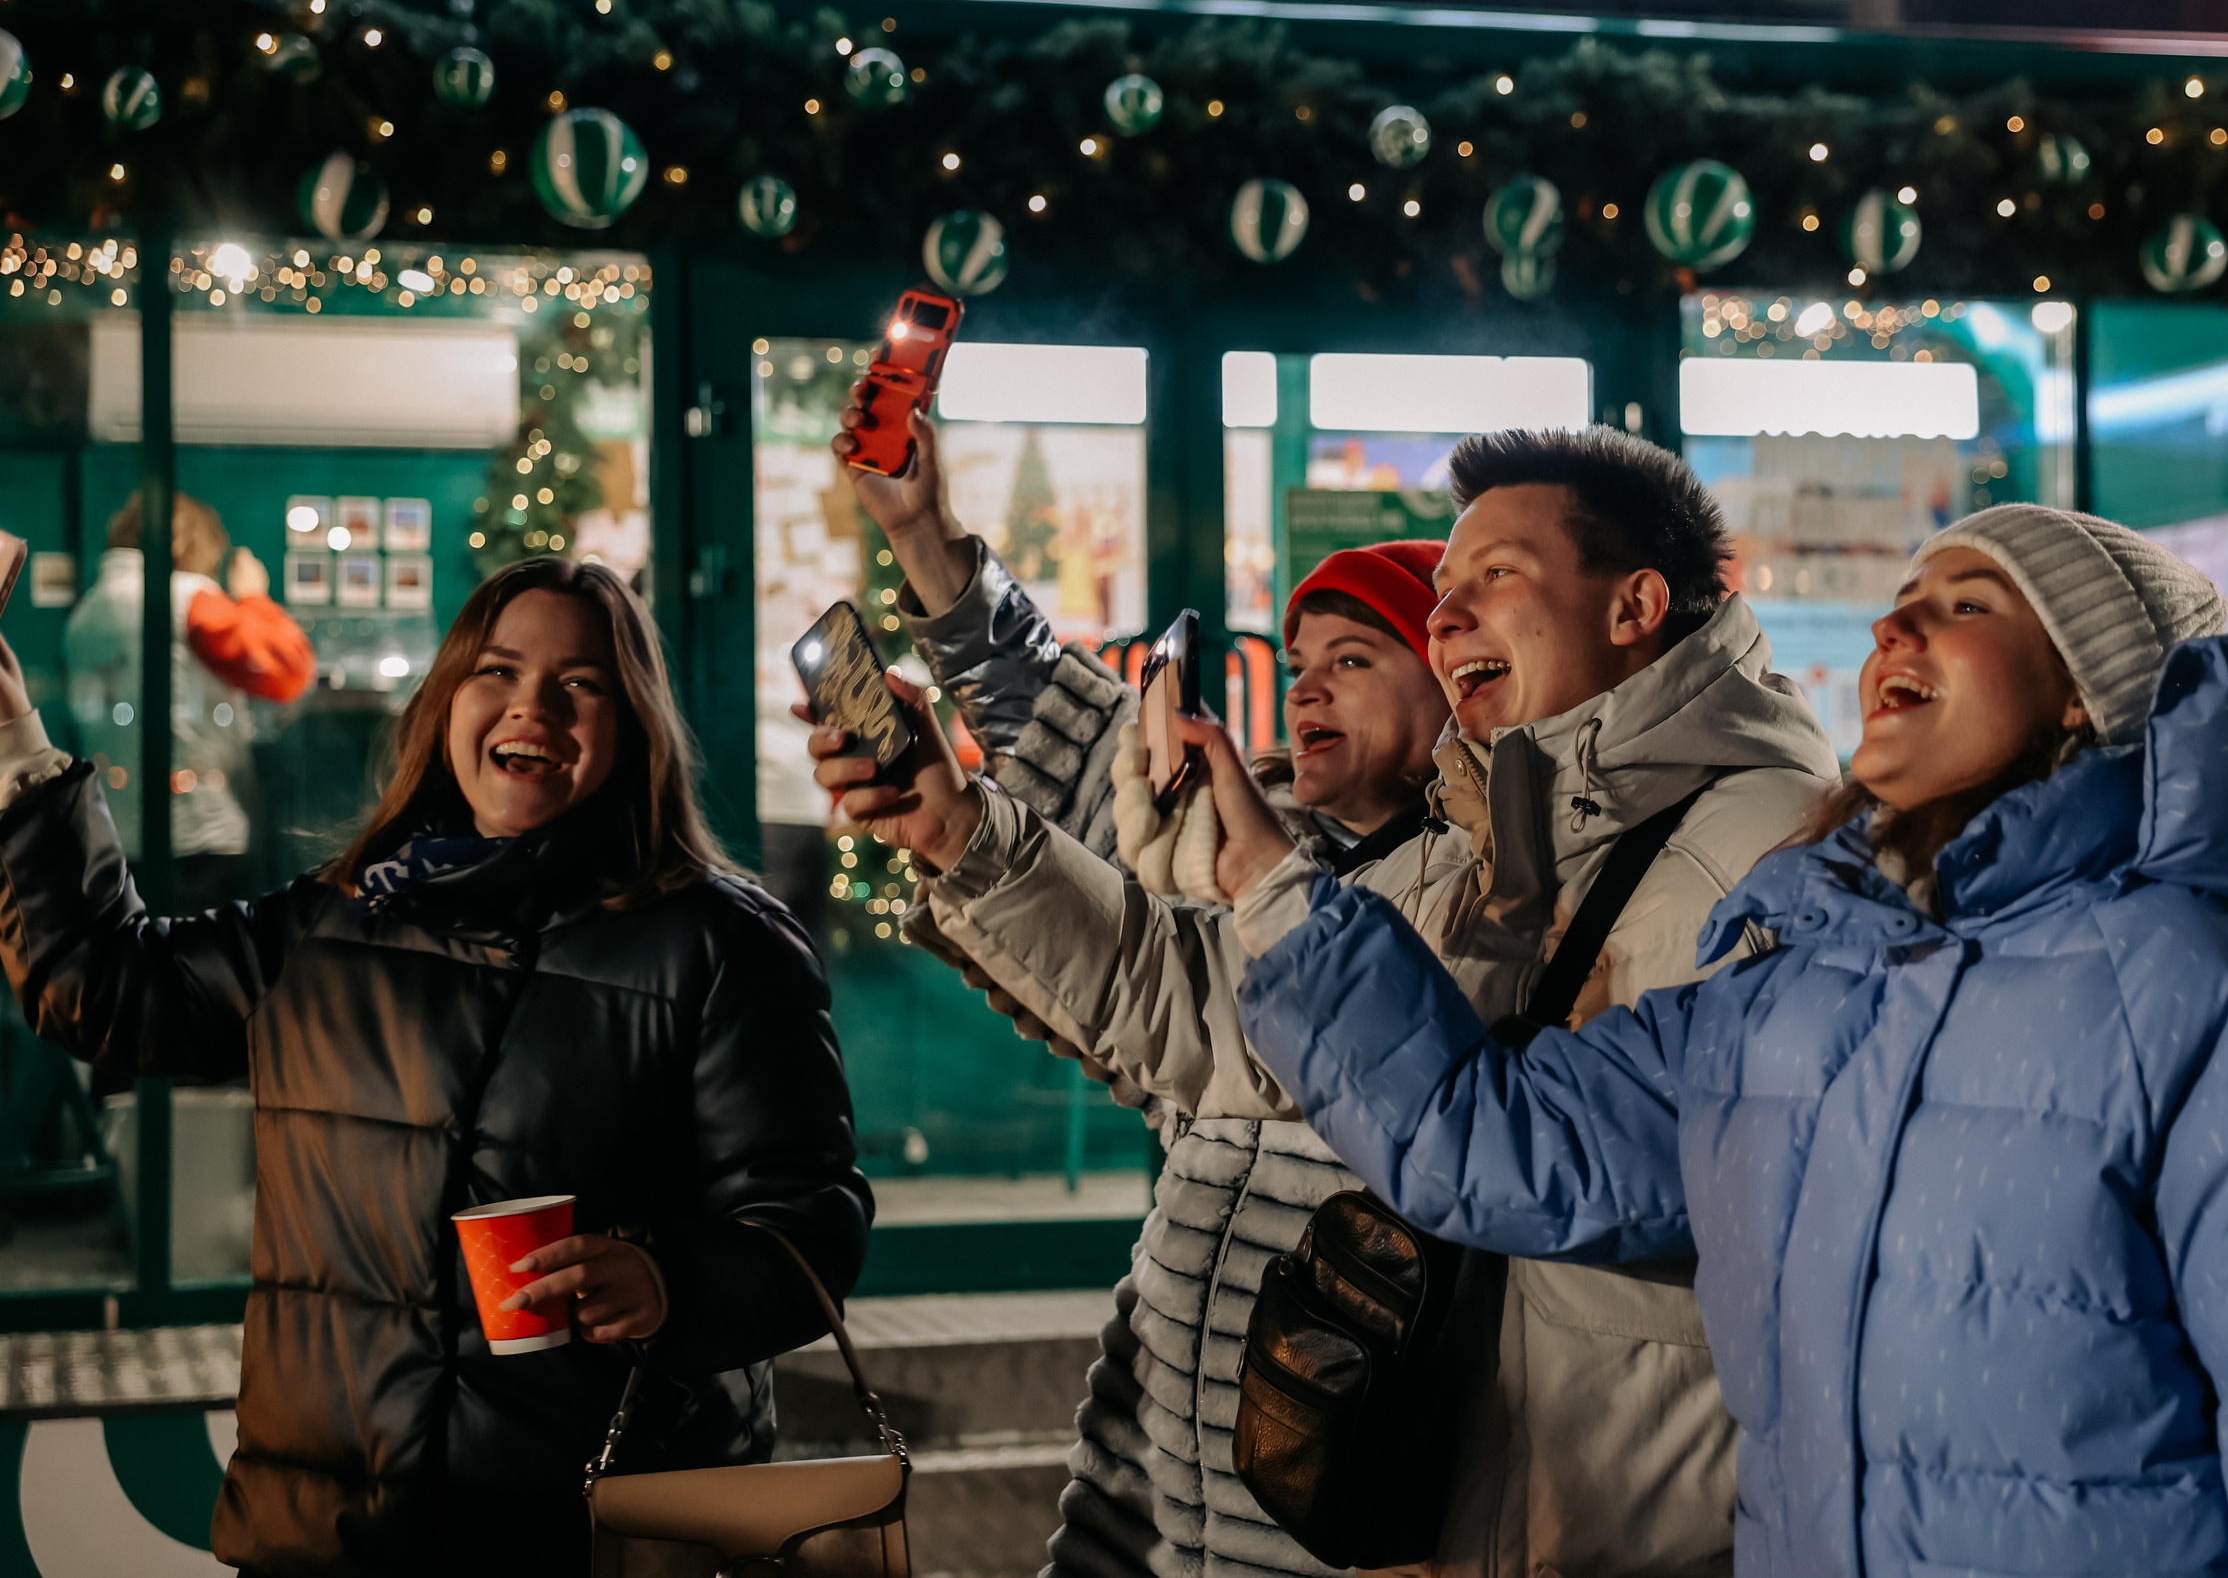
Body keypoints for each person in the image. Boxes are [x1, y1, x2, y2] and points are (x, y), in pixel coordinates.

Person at [1209, 504, 2228, 1578]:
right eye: (1906, 593)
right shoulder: (1793, 985)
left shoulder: (2216, 1008)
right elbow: (1490, 1143)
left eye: (1969, 600)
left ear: (2088, 696)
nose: (1901, 619)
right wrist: (1278, 896)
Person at [824, 424, 1840, 1578]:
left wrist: (1268, 883)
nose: (1449, 616)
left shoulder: (1765, 850)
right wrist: (956, 827)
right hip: (1334, 1503)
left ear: (1635, 605)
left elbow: (1509, 1152)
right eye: (1443, 592)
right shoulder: (1491, 830)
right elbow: (1214, 1008)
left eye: (1489, 580)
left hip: (1606, 1532)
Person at [0, 556, 869, 1578]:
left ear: (634, 720)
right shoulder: (336, 922)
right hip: (332, 1536)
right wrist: (15, 737)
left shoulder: (726, 947)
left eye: (579, 683)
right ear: (448, 698)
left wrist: (668, 1281)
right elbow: (99, 988)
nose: (531, 707)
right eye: (497, 671)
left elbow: (810, 1229)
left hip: (596, 1538)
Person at [816, 384, 1452, 1578]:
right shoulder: (1233, 839)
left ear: (1461, 688)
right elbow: (1049, 712)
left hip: (1336, 1495)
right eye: (1299, 659)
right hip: (1151, 1477)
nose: (1305, 686)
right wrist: (919, 533)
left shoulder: (1477, 904)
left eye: (1355, 659)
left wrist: (969, 833)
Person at [63, 490, 316, 906]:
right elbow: (288, 670)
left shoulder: (88, 611)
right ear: (185, 542)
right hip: (200, 829)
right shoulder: (185, 597)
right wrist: (253, 596)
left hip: (114, 828)